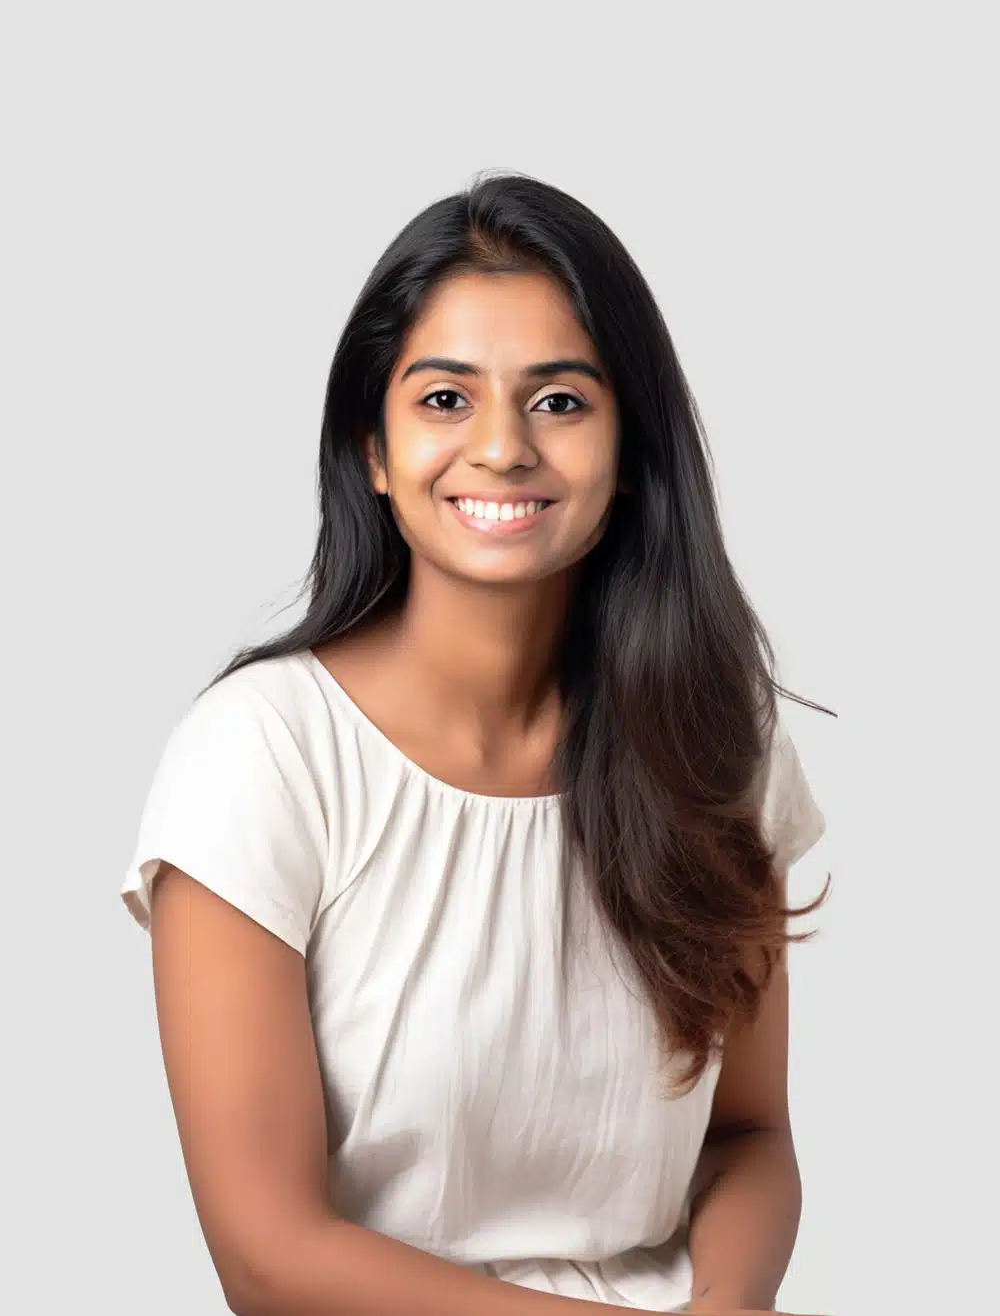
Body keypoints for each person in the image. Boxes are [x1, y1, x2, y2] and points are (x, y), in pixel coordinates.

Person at [120, 170, 831, 1316]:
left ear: (630, 449)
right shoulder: (260, 757)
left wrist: (727, 1304)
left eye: (559, 401)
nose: (501, 447)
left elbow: (746, 1134)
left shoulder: (715, 747)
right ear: (371, 447)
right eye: (445, 398)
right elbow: (267, 1255)